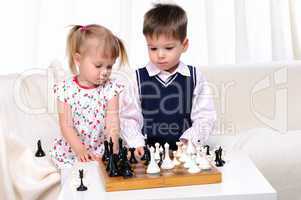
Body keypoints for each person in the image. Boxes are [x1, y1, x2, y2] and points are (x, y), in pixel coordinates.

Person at [122, 3, 216, 153]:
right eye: (153, 48)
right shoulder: (137, 78)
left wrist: (190, 140)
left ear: (184, 45)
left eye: (168, 48)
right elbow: (129, 118)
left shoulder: (195, 76)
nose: (160, 55)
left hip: (186, 152)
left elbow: (205, 116)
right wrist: (136, 143)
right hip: (149, 154)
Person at [49, 24, 127, 181]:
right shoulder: (65, 89)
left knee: (102, 184)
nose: (105, 72)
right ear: (78, 59)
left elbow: (112, 122)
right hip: (72, 150)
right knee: (74, 184)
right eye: (98, 65)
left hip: (99, 149)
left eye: (109, 66)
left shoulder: (110, 88)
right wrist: (80, 150)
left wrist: (112, 149)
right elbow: (66, 126)